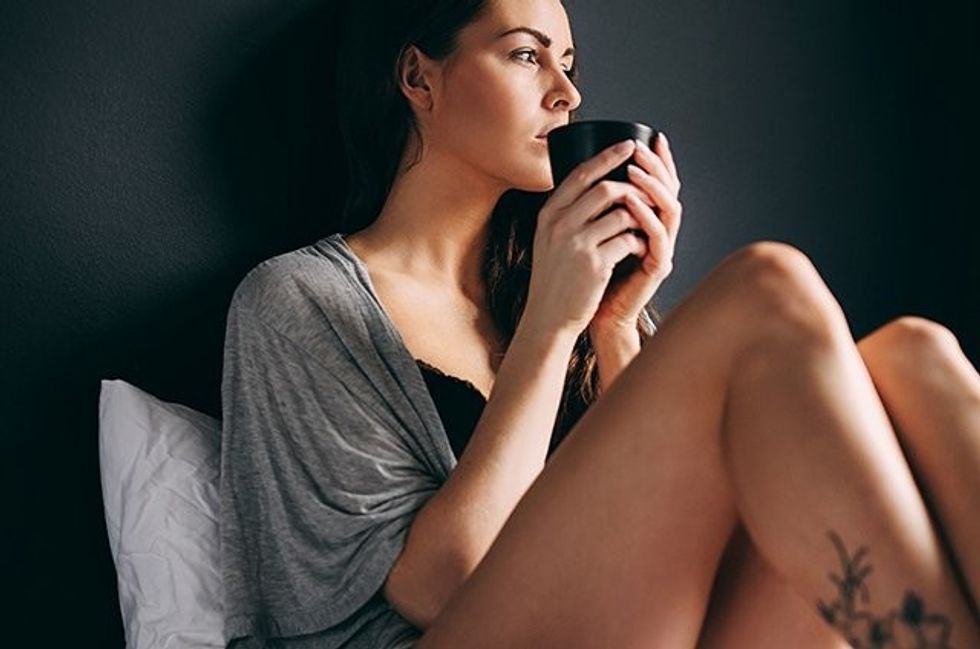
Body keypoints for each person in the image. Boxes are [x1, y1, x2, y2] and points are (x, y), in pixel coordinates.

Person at [218, 0, 980, 647]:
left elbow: (662, 526)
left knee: (916, 352)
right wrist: (552, 326)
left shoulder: (560, 289)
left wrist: (614, 324)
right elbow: (442, 585)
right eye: (526, 56)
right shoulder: (295, 301)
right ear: (419, 77)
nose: (566, 96)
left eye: (570, 65)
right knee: (764, 286)